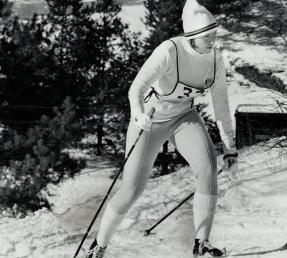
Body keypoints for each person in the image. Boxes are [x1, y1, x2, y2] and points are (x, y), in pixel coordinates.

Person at [85, 0, 238, 257]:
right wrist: (138, 115)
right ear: (194, 36)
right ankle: (98, 245)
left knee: (208, 169)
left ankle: (202, 244)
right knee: (132, 188)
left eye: (214, 34)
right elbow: (137, 88)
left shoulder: (215, 59)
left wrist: (230, 147)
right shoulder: (169, 50)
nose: (214, 40)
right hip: (151, 119)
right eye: (209, 36)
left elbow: (221, 104)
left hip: (184, 117)